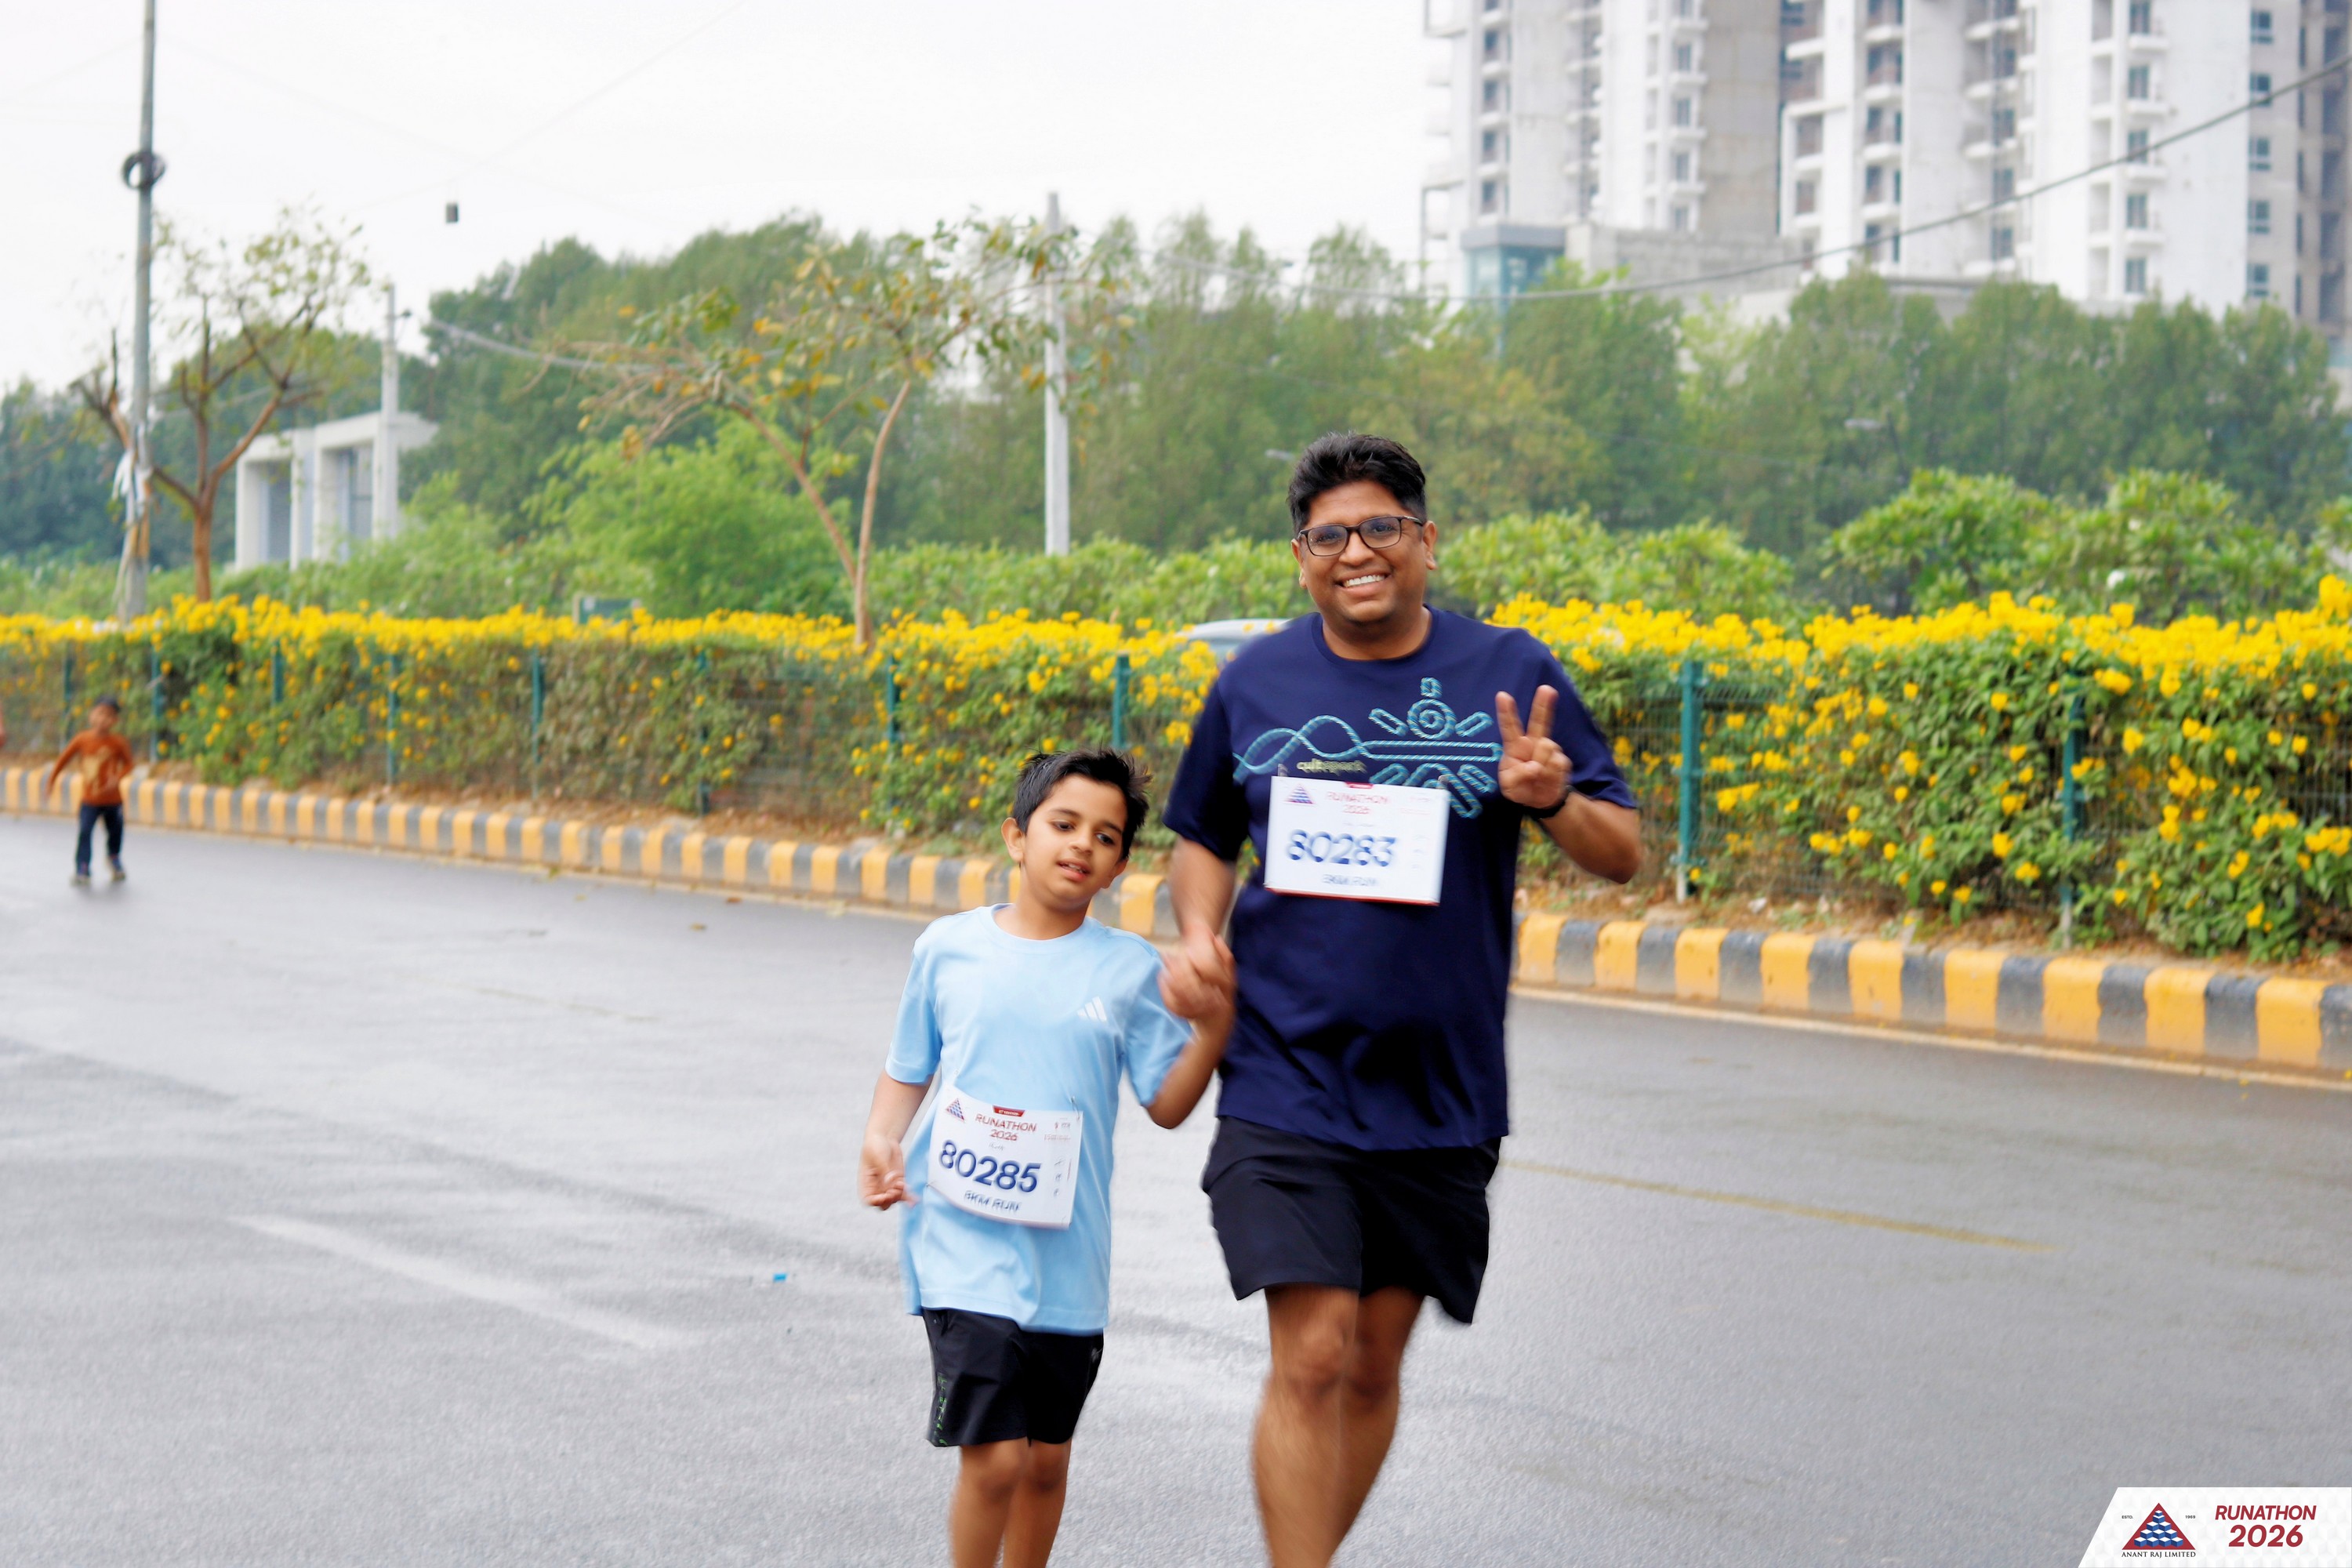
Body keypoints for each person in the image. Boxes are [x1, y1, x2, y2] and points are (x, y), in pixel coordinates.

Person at [1159, 433, 1642, 1568]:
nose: (1356, 552)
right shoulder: (1255, 682)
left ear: (1426, 540)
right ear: (1301, 557)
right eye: (1329, 535)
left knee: (1373, 1363)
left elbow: (1620, 850)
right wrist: (1197, 933)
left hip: (1440, 1085)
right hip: (1284, 1069)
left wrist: (1552, 797)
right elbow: (1202, 835)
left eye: (1380, 527)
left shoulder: (1509, 671)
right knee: (1314, 1351)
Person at [858, 747, 1235, 1568]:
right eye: (1063, 824)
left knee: (1045, 1462)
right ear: (1017, 836)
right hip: (959, 1244)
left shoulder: (1130, 969)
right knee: (996, 1458)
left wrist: (1212, 1028)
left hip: (1069, 1260)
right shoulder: (949, 948)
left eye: (1105, 836)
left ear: (1120, 866)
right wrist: (882, 1136)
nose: (1081, 845)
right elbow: (910, 1064)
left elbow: (1168, 1103)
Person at [48, 697, 136, 887]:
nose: (103, 719)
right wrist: (51, 781)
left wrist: (118, 777)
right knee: (85, 832)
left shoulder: (118, 742)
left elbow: (130, 764)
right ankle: (82, 867)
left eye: (109, 716)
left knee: (116, 831)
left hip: (113, 800)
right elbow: (63, 760)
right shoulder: (82, 740)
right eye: (100, 713)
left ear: (115, 721)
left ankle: (114, 858)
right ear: (91, 715)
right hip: (90, 800)